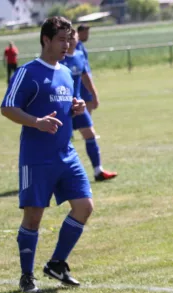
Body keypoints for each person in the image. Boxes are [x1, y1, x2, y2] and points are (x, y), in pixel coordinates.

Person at [0, 16, 93, 293]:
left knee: (84, 206)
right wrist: (36, 122)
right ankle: (27, 276)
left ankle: (57, 263)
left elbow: (65, 104)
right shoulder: (28, 72)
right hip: (37, 158)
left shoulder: (65, 72)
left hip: (67, 154)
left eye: (69, 39)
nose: (67, 45)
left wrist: (75, 107)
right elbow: (7, 107)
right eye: (62, 39)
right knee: (33, 217)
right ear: (46, 40)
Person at [61, 29, 117, 182]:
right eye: (69, 37)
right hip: (61, 106)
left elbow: (86, 77)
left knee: (90, 135)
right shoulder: (59, 59)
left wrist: (94, 95)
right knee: (60, 141)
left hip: (78, 104)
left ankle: (98, 171)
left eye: (74, 37)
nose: (72, 40)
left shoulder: (79, 56)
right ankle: (54, 176)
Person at [77, 24, 98, 114]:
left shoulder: (80, 45)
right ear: (79, 33)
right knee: (87, 106)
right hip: (83, 82)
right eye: (85, 33)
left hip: (85, 79)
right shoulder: (76, 45)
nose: (87, 35)